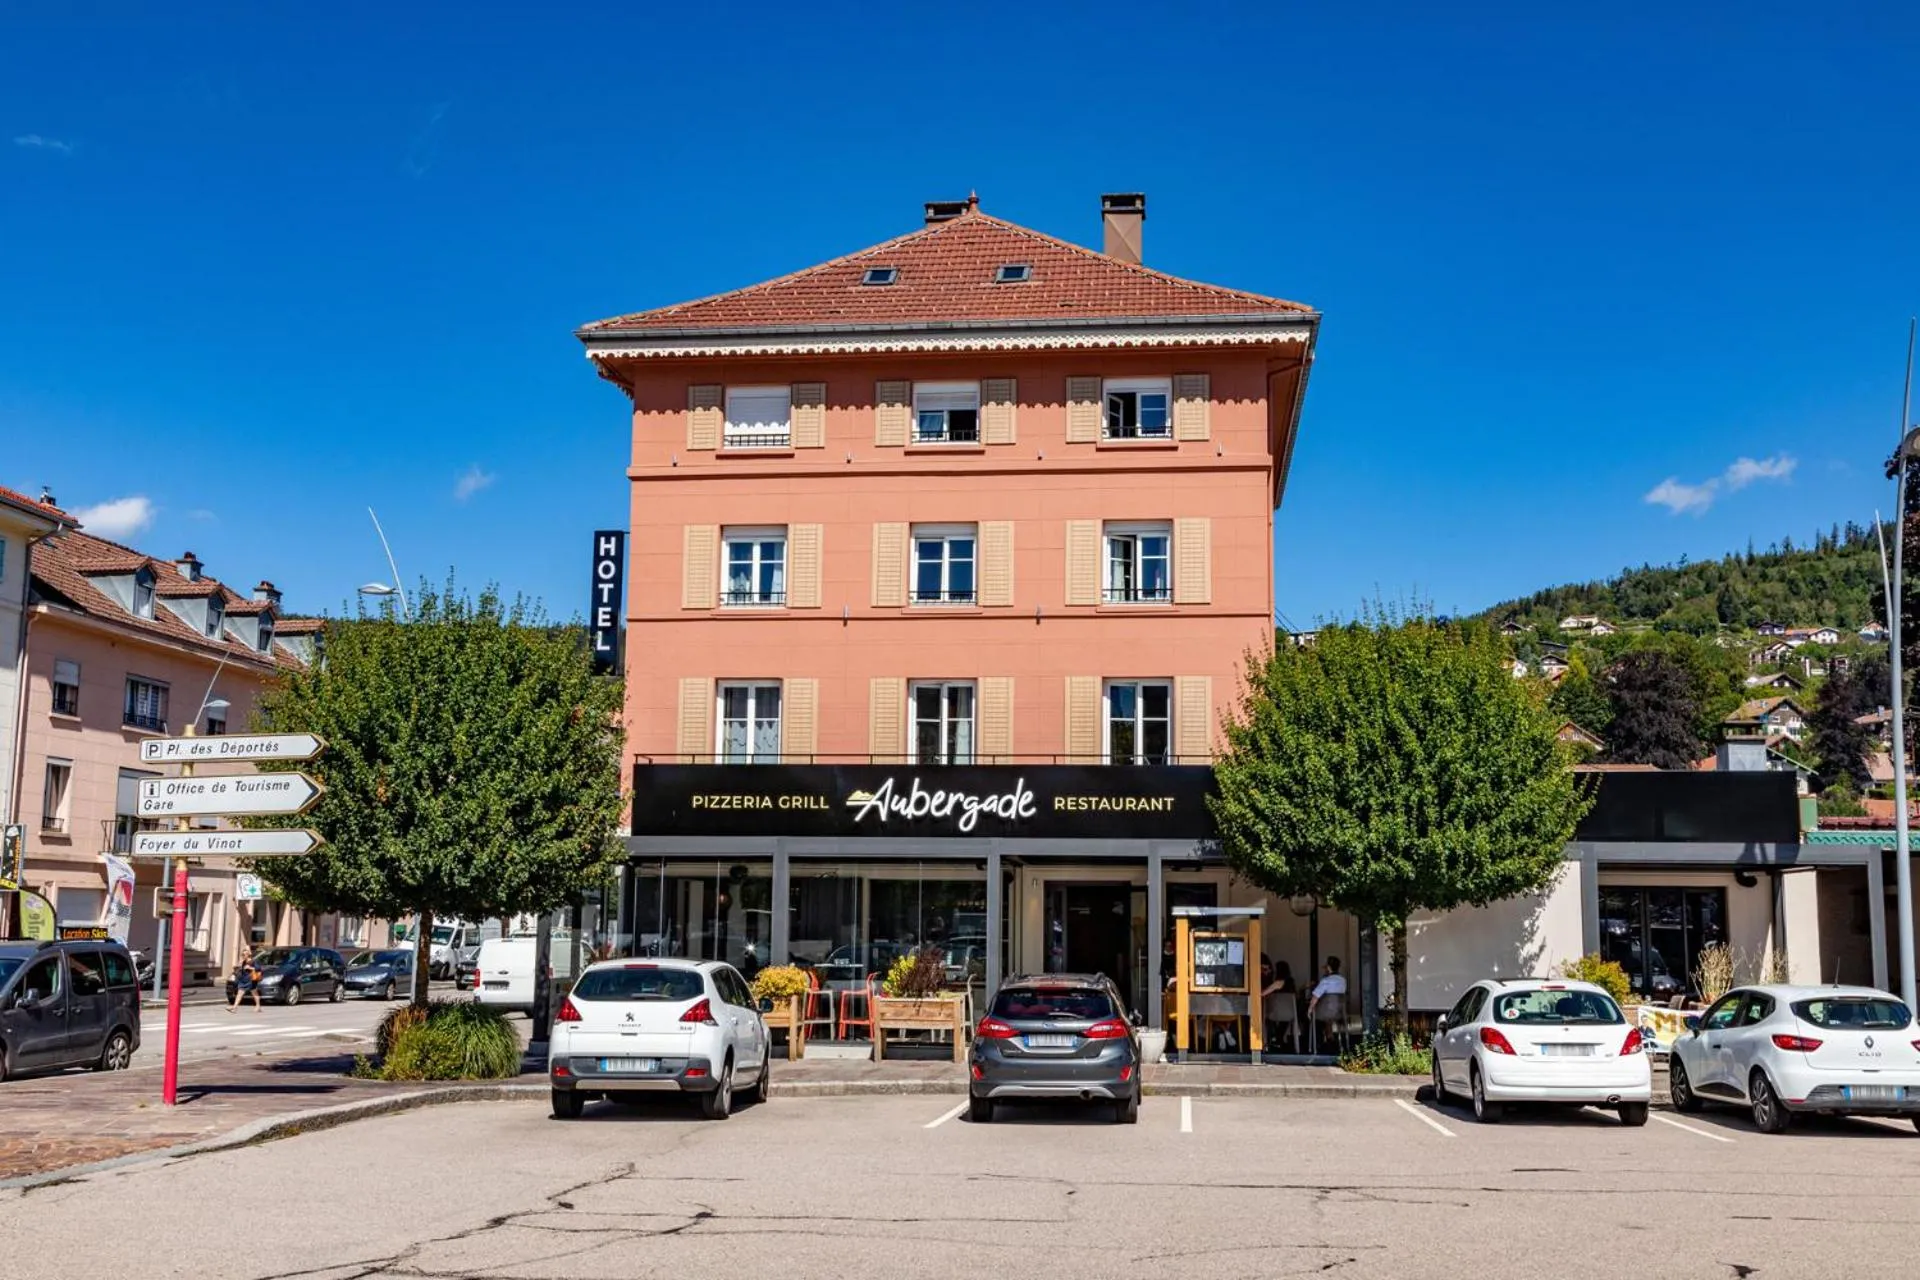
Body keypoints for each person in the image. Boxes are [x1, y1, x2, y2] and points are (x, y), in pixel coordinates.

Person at [1307, 956, 1346, 1049]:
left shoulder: (1326, 981)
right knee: (1328, 1017)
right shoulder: (1343, 980)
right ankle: (1330, 1037)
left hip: (1324, 1012)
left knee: (1314, 1017)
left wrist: (1310, 1009)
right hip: (1338, 1012)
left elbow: (1315, 996)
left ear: (1328, 967)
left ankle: (1317, 1044)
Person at [1262, 959, 1298, 1052]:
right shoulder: (1291, 982)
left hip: (1274, 1013)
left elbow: (1262, 994)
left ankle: (1273, 1039)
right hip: (1290, 1013)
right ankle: (1279, 1039)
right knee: (1284, 1020)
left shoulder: (1278, 983)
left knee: (1266, 1017)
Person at [228, 945, 263, 1012]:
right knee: (243, 993)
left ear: (248, 955)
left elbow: (259, 969)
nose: (243, 955)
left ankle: (258, 1006)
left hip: (251, 980)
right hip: (243, 980)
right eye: (242, 954)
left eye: (244, 954)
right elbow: (239, 968)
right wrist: (238, 965)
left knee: (252, 993)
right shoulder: (243, 962)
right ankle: (235, 1007)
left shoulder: (253, 961)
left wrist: (250, 968)